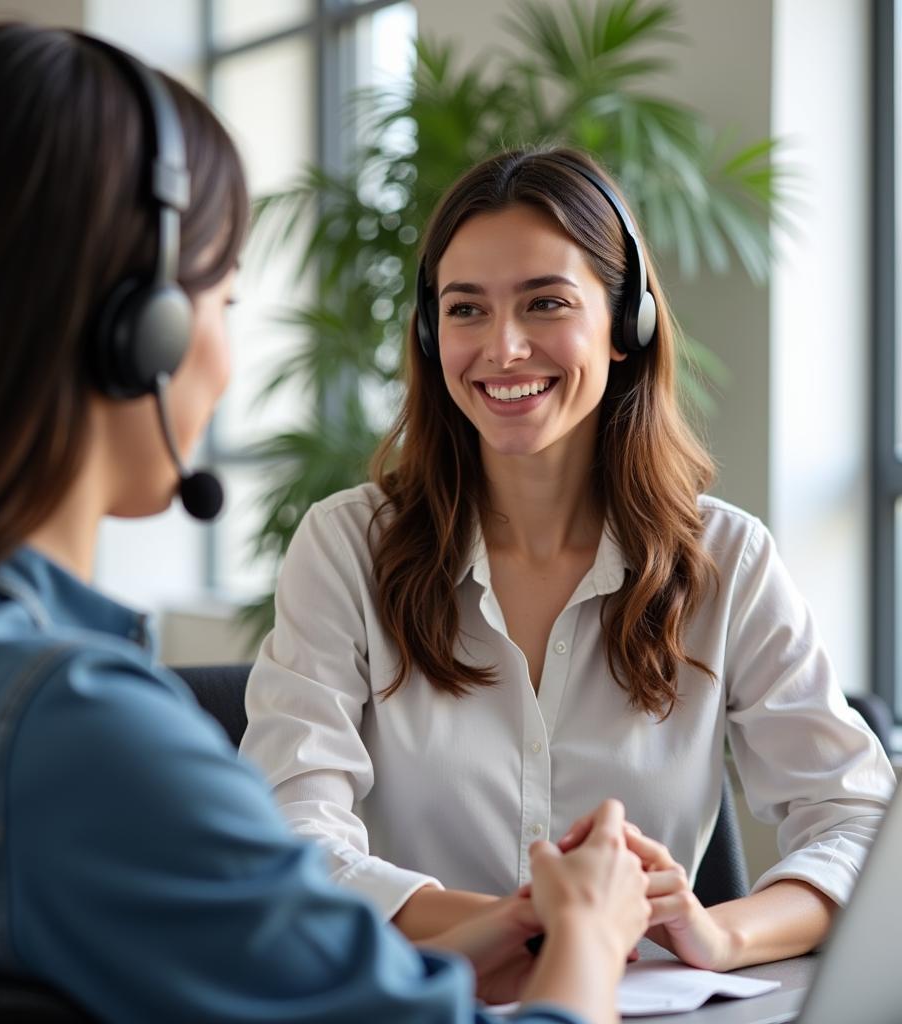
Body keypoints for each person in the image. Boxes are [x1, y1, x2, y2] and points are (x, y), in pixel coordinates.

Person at [0, 24, 654, 1024]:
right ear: (138, 335)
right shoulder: (75, 737)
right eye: (226, 296)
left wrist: (443, 962)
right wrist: (589, 929)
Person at [240, 147, 898, 971]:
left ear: (630, 326)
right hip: (419, 999)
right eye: (466, 309)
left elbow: (859, 820)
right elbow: (286, 832)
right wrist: (544, 926)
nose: (504, 348)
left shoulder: (726, 558)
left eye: (545, 303)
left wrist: (725, 931)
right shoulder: (348, 548)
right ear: (428, 331)